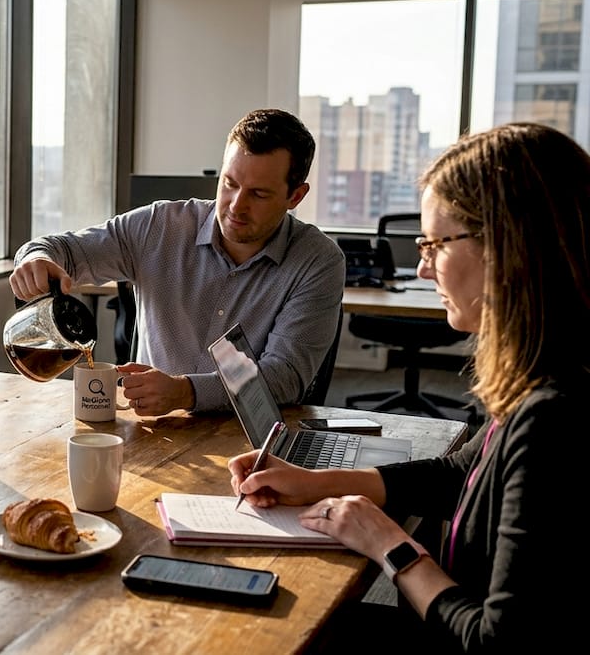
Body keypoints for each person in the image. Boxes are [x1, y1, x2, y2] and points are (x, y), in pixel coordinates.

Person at [229, 122, 587, 652]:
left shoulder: (557, 414)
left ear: (508, 246)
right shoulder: (544, 372)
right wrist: (316, 481)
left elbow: (497, 641)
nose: (421, 267)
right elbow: (463, 474)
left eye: (436, 244)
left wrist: (390, 545)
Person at [11, 108, 344, 416]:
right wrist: (36, 258)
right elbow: (60, 249)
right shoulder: (160, 226)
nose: (235, 206)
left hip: (245, 437)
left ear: (295, 196)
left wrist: (186, 393)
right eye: (229, 184)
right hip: (151, 431)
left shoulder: (318, 261)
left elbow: (284, 376)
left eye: (258, 194)